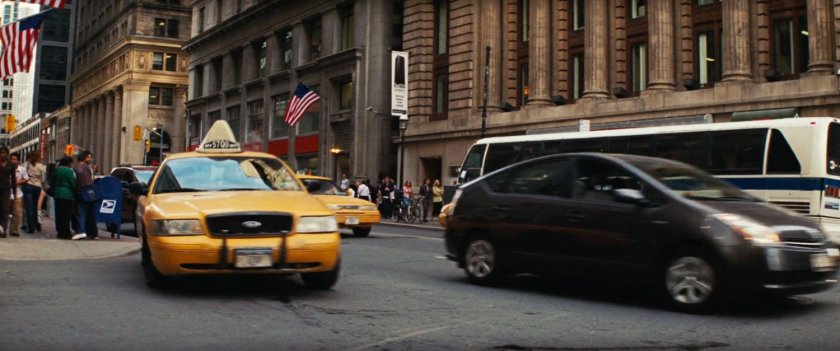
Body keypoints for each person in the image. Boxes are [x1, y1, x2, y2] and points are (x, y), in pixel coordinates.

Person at [74, 151, 97, 240]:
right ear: (84, 158)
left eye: (91, 157)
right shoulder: (84, 167)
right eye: (88, 157)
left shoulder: (78, 167)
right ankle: (90, 233)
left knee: (81, 212)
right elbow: (87, 181)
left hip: (83, 192)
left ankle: (82, 231)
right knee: (87, 213)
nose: (90, 159)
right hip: (87, 192)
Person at [53, 156, 77, 240]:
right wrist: (76, 191)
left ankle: (59, 231)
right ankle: (65, 232)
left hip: (57, 193)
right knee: (66, 215)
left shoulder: (57, 170)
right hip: (67, 194)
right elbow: (73, 183)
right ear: (69, 163)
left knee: (58, 214)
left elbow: (52, 180)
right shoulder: (69, 171)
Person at [23, 151, 46, 233]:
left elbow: (23, 176)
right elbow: (43, 179)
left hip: (28, 186)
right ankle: (35, 224)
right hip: (37, 187)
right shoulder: (41, 166)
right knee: (35, 206)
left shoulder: (26, 165)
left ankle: (30, 228)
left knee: (29, 207)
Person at [8, 153, 28, 237]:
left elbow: (26, 179)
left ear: (18, 161)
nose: (13, 161)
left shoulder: (22, 169)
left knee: (16, 213)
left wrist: (17, 183)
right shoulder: (6, 168)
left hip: (18, 194)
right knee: (5, 213)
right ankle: (3, 229)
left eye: (15, 159)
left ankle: (14, 230)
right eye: (11, 159)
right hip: (7, 193)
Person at [0, 148, 15, 237]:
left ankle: (3, 229)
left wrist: (14, 191)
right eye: (1, 153)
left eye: (5, 153)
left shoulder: (11, 165)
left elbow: (13, 178)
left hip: (6, 189)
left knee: (5, 209)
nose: (3, 155)